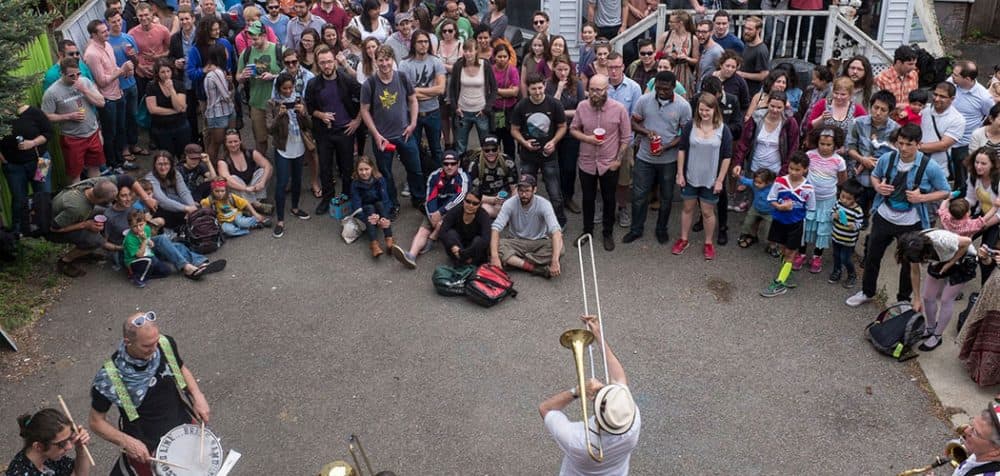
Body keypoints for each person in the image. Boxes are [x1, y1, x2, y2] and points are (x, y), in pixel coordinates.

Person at [88, 311, 211, 476]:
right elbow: (96, 422)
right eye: (146, 346)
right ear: (128, 342)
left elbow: (180, 368)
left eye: (155, 341)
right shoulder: (110, 376)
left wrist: (197, 395)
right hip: (147, 446)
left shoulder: (165, 344)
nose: (154, 349)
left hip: (184, 428)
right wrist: (127, 442)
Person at [846, 124, 952, 309]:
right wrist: (878, 186)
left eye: (908, 144)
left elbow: (945, 191)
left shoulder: (930, 167)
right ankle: (867, 291)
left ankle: (903, 299)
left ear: (918, 144)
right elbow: (875, 175)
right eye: (900, 143)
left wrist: (922, 197)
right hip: (884, 215)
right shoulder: (888, 158)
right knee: (872, 255)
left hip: (911, 221)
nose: (903, 148)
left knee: (909, 262)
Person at [540, 315, 640, 475]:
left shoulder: (577, 441)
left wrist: (577, 391)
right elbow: (619, 378)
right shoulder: (632, 420)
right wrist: (599, 335)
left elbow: (545, 409)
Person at [624, 71, 691, 245]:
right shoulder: (644, 100)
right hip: (644, 157)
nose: (661, 91)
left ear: (674, 86)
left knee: (666, 197)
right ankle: (636, 229)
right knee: (639, 196)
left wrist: (667, 146)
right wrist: (646, 132)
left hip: (668, 160)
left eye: (665, 88)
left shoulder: (683, 106)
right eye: (658, 88)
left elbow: (685, 134)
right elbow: (633, 122)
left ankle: (662, 229)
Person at [360, 45, 426, 215]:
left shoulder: (402, 78)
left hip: (405, 134)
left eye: (387, 59)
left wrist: (413, 123)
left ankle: (418, 198)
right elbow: (364, 110)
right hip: (383, 138)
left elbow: (413, 100)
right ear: (375, 61)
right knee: (385, 174)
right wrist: (375, 134)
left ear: (393, 60)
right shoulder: (370, 84)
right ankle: (392, 204)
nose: (384, 64)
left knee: (415, 169)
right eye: (380, 60)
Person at [568, 74, 631, 251]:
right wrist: (587, 138)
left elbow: (626, 138)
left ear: (607, 89)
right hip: (586, 162)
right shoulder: (582, 106)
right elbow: (573, 129)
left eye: (599, 90)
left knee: (609, 199)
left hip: (609, 163)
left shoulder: (619, 109)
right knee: (587, 199)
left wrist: (618, 161)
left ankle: (607, 232)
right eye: (592, 89)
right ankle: (587, 231)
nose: (595, 94)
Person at [674, 93, 733, 260]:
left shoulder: (723, 129)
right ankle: (683, 239)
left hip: (711, 180)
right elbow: (682, 150)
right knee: (687, 208)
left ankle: (708, 243)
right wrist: (680, 173)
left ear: (715, 110)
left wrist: (720, 180)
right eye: (701, 110)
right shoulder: (690, 126)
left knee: (708, 212)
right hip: (691, 176)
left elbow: (727, 156)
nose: (704, 113)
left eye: (707, 110)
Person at [305, 47, 363, 215]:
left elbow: (365, 99)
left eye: (329, 61)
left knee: (346, 168)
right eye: (322, 62)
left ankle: (346, 196)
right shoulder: (313, 83)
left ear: (335, 62)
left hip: (345, 131)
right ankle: (327, 198)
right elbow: (309, 107)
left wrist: (357, 121)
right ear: (318, 64)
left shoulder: (347, 80)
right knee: (325, 167)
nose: (327, 65)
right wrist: (320, 114)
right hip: (324, 133)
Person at [391, 150, 469, 268]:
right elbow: (429, 199)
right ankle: (411, 256)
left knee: (445, 225)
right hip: (436, 212)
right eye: (446, 163)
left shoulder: (463, 178)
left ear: (458, 164)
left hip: (454, 212)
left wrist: (441, 212)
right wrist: (432, 215)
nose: (449, 166)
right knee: (423, 230)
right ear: (442, 164)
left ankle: (434, 236)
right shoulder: (434, 176)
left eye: (453, 163)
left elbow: (459, 198)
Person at [511, 72, 567, 228]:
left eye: (540, 88)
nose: (537, 92)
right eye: (534, 89)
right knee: (525, 191)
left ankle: (559, 222)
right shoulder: (521, 106)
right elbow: (514, 129)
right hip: (528, 156)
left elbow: (563, 126)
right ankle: (527, 221)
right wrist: (524, 142)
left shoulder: (554, 104)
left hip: (549, 156)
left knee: (555, 193)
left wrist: (554, 141)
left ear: (545, 86)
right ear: (528, 89)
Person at [732, 91, 800, 211]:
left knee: (772, 206)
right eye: (772, 106)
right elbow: (744, 142)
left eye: (779, 107)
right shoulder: (757, 118)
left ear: (784, 107)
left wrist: (784, 172)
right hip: (755, 168)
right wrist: (738, 163)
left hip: (776, 171)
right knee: (754, 203)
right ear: (767, 104)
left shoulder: (789, 122)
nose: (775, 110)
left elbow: (793, 149)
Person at [761, 152, 815, 297]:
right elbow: (771, 199)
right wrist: (779, 207)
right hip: (779, 221)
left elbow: (811, 208)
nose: (793, 172)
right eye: (791, 168)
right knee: (784, 250)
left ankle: (779, 284)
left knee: (791, 252)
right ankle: (787, 272)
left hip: (796, 224)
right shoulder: (780, 182)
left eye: (797, 170)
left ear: (805, 169)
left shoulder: (808, 188)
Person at [41, 63, 107, 182]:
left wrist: (85, 90)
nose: (76, 78)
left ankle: (96, 195)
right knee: (74, 173)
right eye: (71, 75)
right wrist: (68, 116)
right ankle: (77, 198)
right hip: (72, 138)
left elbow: (102, 102)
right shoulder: (52, 92)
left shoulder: (85, 82)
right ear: (62, 74)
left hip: (92, 132)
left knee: (95, 168)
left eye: (78, 74)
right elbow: (46, 117)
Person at [489, 174, 564, 278]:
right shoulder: (509, 203)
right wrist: (494, 257)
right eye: (521, 191)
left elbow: (556, 232)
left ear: (534, 190)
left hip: (538, 241)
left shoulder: (544, 204)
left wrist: (555, 261)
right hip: (516, 241)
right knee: (495, 246)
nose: (523, 194)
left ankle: (515, 262)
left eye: (527, 190)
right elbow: (495, 228)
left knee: (560, 246)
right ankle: (534, 267)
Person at [123, 211, 226, 285]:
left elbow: (152, 245)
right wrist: (145, 240)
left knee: (175, 245)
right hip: (141, 260)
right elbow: (140, 255)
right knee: (172, 246)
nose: (139, 228)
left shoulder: (146, 228)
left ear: (145, 223)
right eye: (135, 226)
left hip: (149, 252)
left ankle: (198, 262)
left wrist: (147, 239)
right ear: (130, 227)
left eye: (141, 225)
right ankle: (187, 267)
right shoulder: (129, 239)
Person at [268, 73, 314, 238]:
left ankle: (295, 208)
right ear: (278, 88)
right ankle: (280, 220)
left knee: (297, 179)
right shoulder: (273, 103)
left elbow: (309, 126)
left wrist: (303, 113)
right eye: (284, 88)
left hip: (299, 146)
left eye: (290, 88)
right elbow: (269, 129)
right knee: (281, 183)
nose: (288, 91)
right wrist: (279, 116)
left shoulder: (299, 100)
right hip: (283, 148)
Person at [84, 19, 132, 173]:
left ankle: (121, 160)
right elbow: (102, 81)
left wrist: (124, 71)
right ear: (93, 35)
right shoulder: (92, 54)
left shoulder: (108, 45)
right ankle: (113, 164)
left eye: (106, 30)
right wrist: (121, 70)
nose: (107, 33)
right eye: (103, 31)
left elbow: (113, 68)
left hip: (118, 93)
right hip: (107, 98)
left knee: (121, 128)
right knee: (110, 133)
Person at [797, 127, 847, 274]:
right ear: (816, 142)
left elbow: (842, 179)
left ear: (835, 145)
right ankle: (801, 254)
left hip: (827, 201)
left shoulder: (839, 161)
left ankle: (817, 256)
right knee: (806, 227)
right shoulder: (809, 155)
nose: (824, 147)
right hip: (809, 200)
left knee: (822, 229)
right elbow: (802, 174)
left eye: (828, 145)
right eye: (822, 144)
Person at [0, 103, 53, 237]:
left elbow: (48, 132)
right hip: (14, 166)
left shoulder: (34, 112)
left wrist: (33, 143)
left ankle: (46, 229)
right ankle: (18, 233)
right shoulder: (2, 117)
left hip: (41, 162)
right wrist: (4, 160)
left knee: (43, 195)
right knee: (19, 199)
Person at [400, 29, 447, 172]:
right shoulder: (405, 64)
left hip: (433, 112)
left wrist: (416, 91)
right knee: (413, 149)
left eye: (426, 41)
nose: (423, 45)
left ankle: (440, 177)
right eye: (420, 42)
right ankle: (416, 178)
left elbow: (440, 89)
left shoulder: (436, 61)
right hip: (412, 114)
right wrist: (428, 93)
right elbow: (405, 92)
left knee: (436, 149)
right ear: (414, 44)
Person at [546, 55, 584, 215]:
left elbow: (581, 109)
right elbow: (550, 108)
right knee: (555, 166)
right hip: (554, 131)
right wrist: (559, 89)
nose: (562, 73)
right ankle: (557, 198)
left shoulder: (578, 84)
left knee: (569, 167)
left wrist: (561, 112)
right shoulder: (549, 84)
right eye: (559, 69)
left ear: (571, 69)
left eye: (565, 69)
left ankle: (568, 197)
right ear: (553, 69)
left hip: (571, 131)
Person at [106, 8, 144, 169]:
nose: (117, 24)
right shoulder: (106, 42)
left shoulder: (128, 38)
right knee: (121, 121)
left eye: (119, 21)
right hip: (117, 87)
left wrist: (133, 57)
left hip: (131, 84)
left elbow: (137, 60)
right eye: (114, 22)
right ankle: (124, 148)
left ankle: (134, 143)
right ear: (108, 23)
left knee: (133, 116)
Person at [949, 61, 996, 186]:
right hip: (944, 138)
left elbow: (989, 116)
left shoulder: (983, 98)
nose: (952, 76)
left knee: (962, 178)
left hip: (963, 143)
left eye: (956, 75)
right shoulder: (951, 83)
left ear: (968, 79)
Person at [5, 408, 92, 476]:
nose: (69, 446)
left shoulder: (49, 457)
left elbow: (78, 473)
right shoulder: (19, 473)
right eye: (62, 444)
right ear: (38, 446)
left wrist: (80, 448)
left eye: (70, 437)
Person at [216, 129, 274, 213]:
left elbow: (268, 166)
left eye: (235, 141)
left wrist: (262, 182)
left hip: (252, 187)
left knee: (263, 171)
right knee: (232, 178)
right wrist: (245, 188)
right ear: (225, 144)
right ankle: (256, 205)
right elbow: (226, 180)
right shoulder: (222, 161)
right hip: (238, 190)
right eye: (230, 142)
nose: (233, 144)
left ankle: (250, 205)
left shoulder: (250, 152)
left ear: (240, 141)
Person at [349, 156, 395, 257]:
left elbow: (385, 199)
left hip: (379, 207)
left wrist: (384, 217)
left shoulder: (379, 179)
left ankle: (389, 239)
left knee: (381, 205)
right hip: (366, 209)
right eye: (361, 169)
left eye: (366, 169)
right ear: (357, 170)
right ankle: (374, 244)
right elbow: (356, 205)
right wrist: (366, 218)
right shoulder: (355, 184)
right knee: (369, 208)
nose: (364, 172)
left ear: (372, 168)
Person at [145, 58, 191, 158]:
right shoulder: (151, 86)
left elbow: (179, 106)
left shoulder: (179, 84)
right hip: (161, 129)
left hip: (180, 126)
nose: (166, 75)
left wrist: (171, 90)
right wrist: (174, 111)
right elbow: (153, 109)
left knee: (183, 156)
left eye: (168, 71)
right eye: (162, 72)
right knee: (166, 156)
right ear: (157, 73)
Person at [919, 82, 964, 181]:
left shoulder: (957, 119)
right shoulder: (924, 110)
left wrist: (915, 147)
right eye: (935, 94)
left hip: (938, 169)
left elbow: (943, 145)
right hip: (915, 164)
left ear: (952, 99)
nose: (937, 99)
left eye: (942, 96)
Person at [438, 187, 492, 265]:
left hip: (473, 251)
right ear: (463, 201)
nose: (470, 205)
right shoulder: (455, 211)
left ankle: (463, 261)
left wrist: (463, 254)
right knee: (451, 233)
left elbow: (486, 239)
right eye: (468, 201)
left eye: (475, 203)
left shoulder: (484, 216)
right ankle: (465, 262)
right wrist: (453, 246)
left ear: (479, 204)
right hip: (457, 249)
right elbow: (442, 231)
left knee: (479, 240)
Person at [128, 3, 170, 103]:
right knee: (146, 103)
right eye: (141, 15)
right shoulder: (131, 34)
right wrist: (140, 67)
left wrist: (157, 57)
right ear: (137, 16)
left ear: (152, 14)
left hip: (161, 72)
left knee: (165, 100)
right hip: (142, 74)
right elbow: (129, 55)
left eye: (146, 14)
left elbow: (171, 51)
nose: (144, 18)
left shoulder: (163, 30)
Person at [145, 150, 197, 230]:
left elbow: (184, 192)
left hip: (176, 205)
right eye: (160, 164)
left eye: (166, 164)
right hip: (159, 209)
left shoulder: (175, 173)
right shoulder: (150, 178)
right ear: (155, 165)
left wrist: (192, 207)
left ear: (171, 164)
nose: (163, 167)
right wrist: (186, 208)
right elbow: (162, 200)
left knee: (195, 210)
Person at [201, 179, 272, 236]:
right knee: (228, 230)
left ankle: (256, 221)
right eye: (217, 191)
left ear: (226, 190)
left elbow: (245, 203)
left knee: (241, 222)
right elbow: (203, 204)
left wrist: (255, 214)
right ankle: (246, 229)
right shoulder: (210, 200)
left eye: (222, 191)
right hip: (223, 221)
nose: (220, 194)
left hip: (236, 216)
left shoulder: (230, 196)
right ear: (212, 191)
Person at [467, 135, 516, 217]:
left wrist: (510, 202)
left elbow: (514, 187)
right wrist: (493, 200)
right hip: (485, 198)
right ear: (482, 150)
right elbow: (471, 194)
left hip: (505, 195)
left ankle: (505, 213)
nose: (491, 153)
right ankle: (505, 215)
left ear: (499, 149)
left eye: (494, 149)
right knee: (486, 209)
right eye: (487, 150)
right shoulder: (474, 165)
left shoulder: (507, 161)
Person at [828, 179, 865, 288]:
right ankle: (837, 271)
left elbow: (859, 225)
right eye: (842, 196)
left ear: (856, 199)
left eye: (848, 199)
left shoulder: (858, 211)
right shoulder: (838, 204)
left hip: (848, 241)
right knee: (836, 255)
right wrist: (833, 216)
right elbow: (831, 214)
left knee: (845, 258)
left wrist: (853, 226)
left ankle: (852, 274)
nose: (844, 200)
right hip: (836, 237)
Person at [656, 11, 698, 99]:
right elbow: (656, 55)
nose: (669, 23)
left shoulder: (692, 38)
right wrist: (667, 56)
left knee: (683, 98)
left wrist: (686, 58)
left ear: (680, 23)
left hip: (684, 74)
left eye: (671, 22)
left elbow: (696, 60)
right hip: (666, 71)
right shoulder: (665, 36)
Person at [874, 45, 919, 122]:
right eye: (910, 64)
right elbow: (876, 105)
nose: (914, 67)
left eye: (914, 64)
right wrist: (897, 106)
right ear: (898, 62)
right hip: (888, 122)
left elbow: (917, 99)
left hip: (908, 122)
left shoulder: (914, 75)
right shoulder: (881, 79)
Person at [736, 168, 776, 252]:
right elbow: (745, 180)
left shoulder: (774, 188)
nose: (756, 184)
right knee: (747, 222)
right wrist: (738, 176)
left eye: (760, 183)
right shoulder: (753, 184)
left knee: (769, 230)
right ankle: (748, 235)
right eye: (755, 181)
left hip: (769, 213)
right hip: (755, 209)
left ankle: (771, 245)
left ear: (768, 182)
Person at [491, 42, 519, 158]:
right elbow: (487, 91)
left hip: (509, 110)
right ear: (494, 57)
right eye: (499, 56)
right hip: (494, 110)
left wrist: (496, 91)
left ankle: (510, 167)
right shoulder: (490, 70)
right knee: (494, 141)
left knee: (509, 142)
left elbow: (515, 92)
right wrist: (506, 91)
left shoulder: (512, 70)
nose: (502, 59)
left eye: (504, 57)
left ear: (508, 57)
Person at [737, 16, 768, 95]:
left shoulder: (761, 50)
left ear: (758, 30)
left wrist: (742, 74)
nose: (746, 31)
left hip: (752, 92)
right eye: (745, 28)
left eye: (750, 29)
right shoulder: (748, 43)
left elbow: (764, 75)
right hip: (742, 89)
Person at [695, 19, 722, 92]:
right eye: (698, 31)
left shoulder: (716, 52)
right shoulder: (703, 49)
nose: (700, 35)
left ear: (711, 32)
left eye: (704, 32)